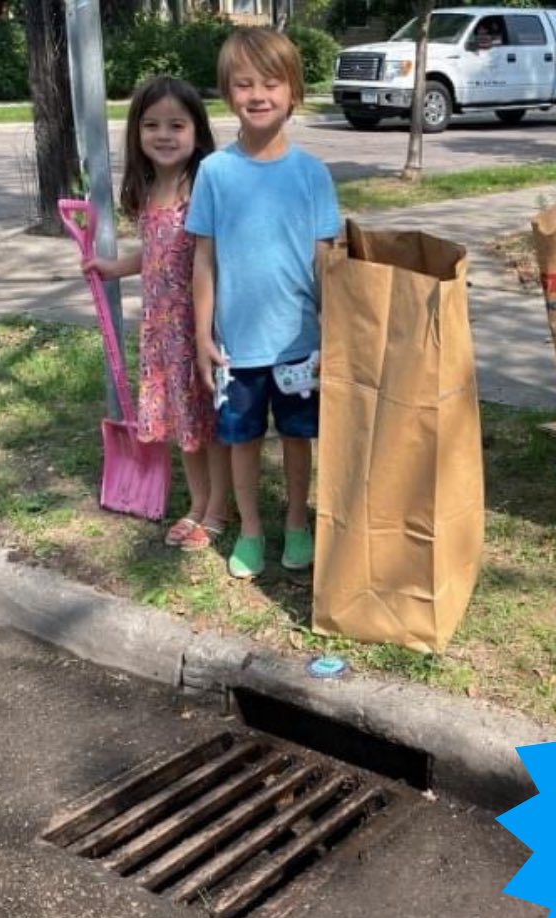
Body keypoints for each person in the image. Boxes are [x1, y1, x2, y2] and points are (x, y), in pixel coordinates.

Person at [187, 28, 341, 579]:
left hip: (299, 346)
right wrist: (204, 336)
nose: (258, 95)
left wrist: (335, 335)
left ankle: (297, 522)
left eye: (271, 83)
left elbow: (326, 261)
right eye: (243, 83)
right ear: (228, 94)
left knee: (300, 438)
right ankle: (251, 529)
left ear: (293, 91)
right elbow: (203, 260)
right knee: (242, 440)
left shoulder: (313, 175)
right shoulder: (214, 173)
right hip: (236, 349)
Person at [81, 75, 230, 550]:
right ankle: (197, 503)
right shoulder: (148, 192)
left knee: (209, 423)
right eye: (151, 125)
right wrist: (114, 267)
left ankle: (218, 510)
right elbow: (154, 252)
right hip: (161, 332)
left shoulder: (202, 187)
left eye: (176, 124)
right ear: (137, 133)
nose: (163, 135)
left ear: (197, 132)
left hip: (198, 328)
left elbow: (214, 257)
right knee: (181, 423)